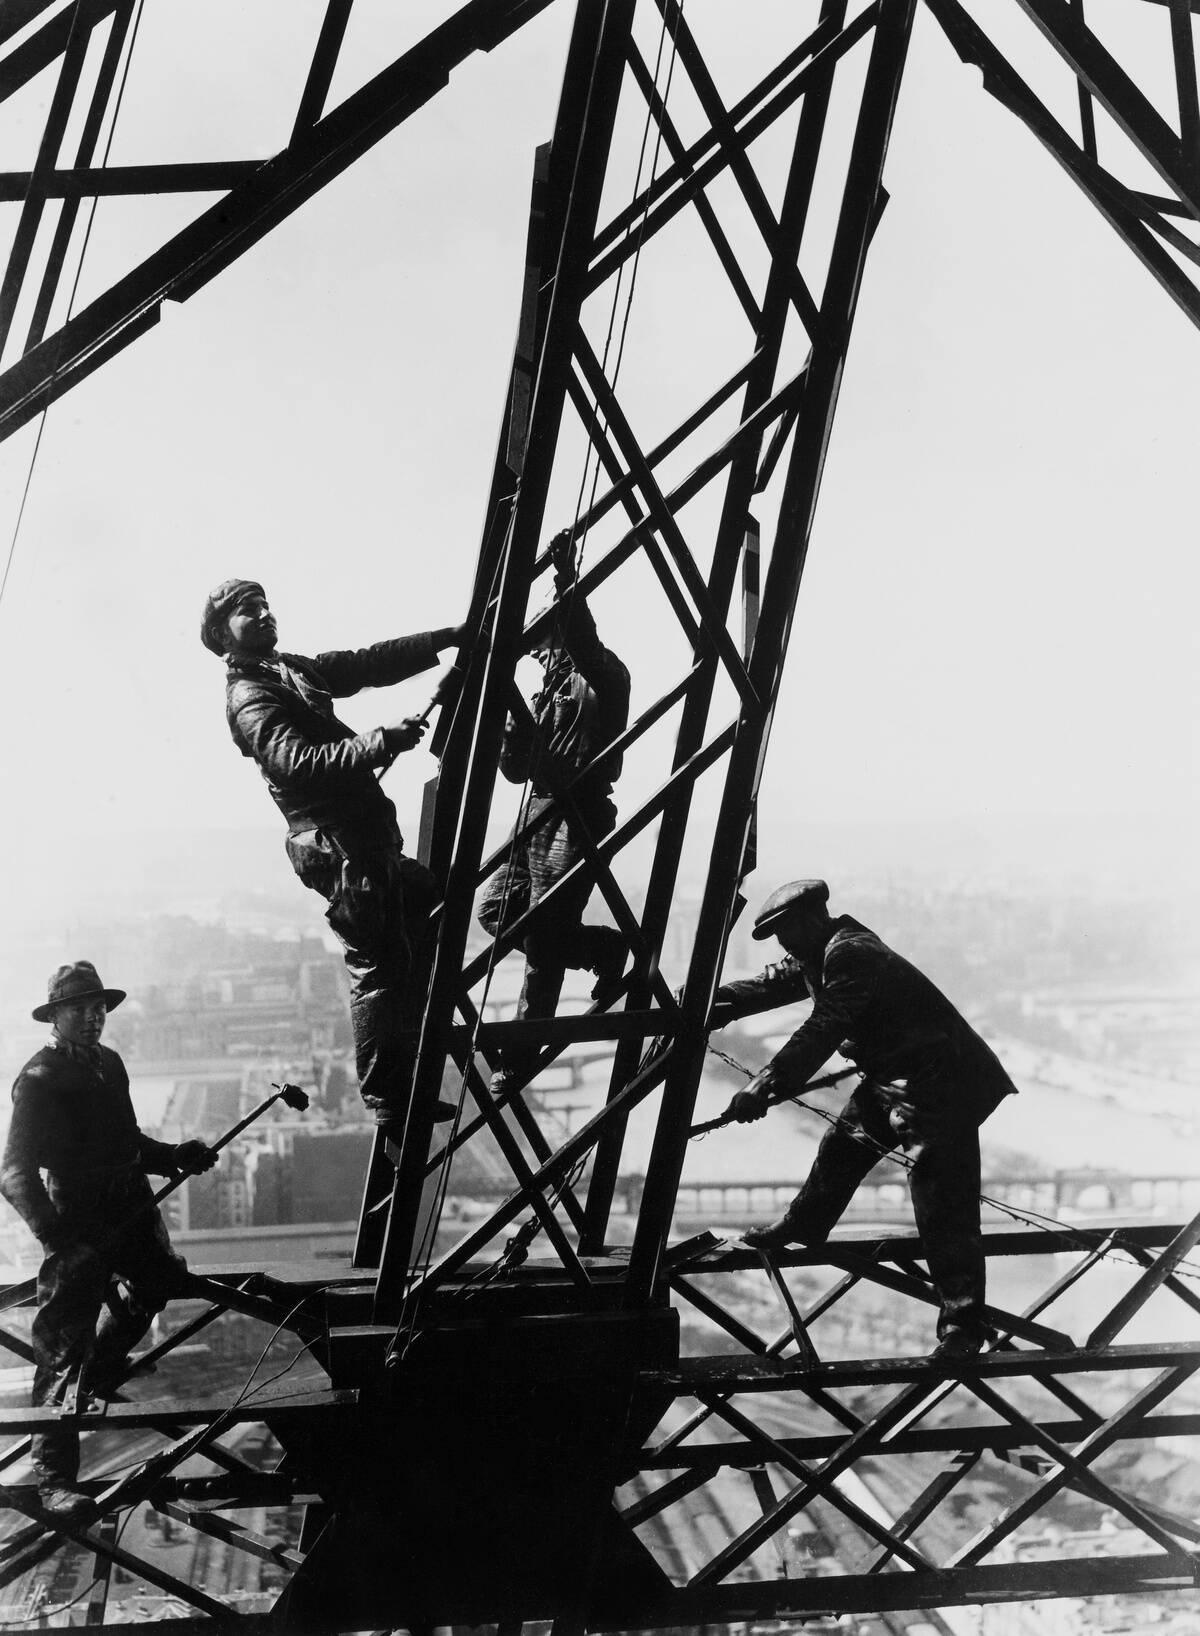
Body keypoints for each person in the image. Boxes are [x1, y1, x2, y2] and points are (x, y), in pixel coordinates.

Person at [201, 579, 464, 1139]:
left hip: (361, 840)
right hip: (340, 849)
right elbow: (295, 762)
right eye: (250, 611)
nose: (266, 614)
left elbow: (364, 664)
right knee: (378, 965)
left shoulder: (286, 671)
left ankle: (406, 1076)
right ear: (224, 633)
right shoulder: (251, 696)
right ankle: (391, 1101)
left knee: (422, 911)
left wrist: (444, 639)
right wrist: (378, 743)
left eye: (267, 605)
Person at [712, 880, 1018, 1358]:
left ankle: (963, 1328)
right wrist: (715, 1001)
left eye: (784, 930)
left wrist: (766, 1082)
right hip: (893, 1076)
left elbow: (824, 1026)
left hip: (942, 1082)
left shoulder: (852, 953)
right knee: (841, 1148)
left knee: (942, 1203)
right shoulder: (820, 953)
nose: (782, 943)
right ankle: (805, 1225)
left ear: (813, 918)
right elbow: (771, 984)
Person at [0, 962, 216, 1521]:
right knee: (61, 1340)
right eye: (81, 1008)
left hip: (132, 1204)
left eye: (100, 1008)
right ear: (55, 1016)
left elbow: (127, 1142)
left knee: (157, 1283)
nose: (94, 1017)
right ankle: (54, 1481)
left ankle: (97, 1369)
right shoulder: (39, 1079)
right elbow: (15, 1173)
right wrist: (59, 1239)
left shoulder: (109, 1064)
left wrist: (172, 1156)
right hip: (80, 1215)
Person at [477, 533, 629, 1091]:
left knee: (541, 936)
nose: (539, 652)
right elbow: (517, 771)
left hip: (579, 810)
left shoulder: (604, 676)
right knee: (495, 910)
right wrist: (511, 736)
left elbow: (586, 645)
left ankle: (518, 1053)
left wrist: (568, 578)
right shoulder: (546, 692)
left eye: (544, 640)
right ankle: (601, 949)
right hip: (540, 809)